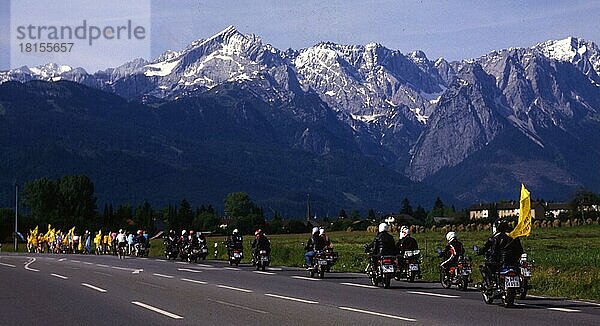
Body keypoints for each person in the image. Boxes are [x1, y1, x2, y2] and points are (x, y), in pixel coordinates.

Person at [478, 219, 524, 286]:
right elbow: (520, 250)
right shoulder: (514, 236)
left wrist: (482, 252)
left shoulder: (495, 237)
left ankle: (490, 284)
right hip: (513, 261)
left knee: (486, 267)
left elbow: (492, 250)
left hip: (500, 262)